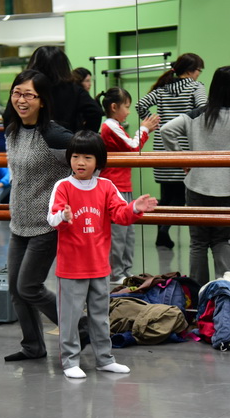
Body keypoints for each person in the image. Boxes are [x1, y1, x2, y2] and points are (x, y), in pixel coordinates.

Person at [47, 130, 157, 379]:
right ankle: (70, 361)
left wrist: (134, 208)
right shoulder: (63, 186)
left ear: (98, 160)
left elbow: (120, 214)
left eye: (87, 157)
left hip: (99, 266)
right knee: (69, 318)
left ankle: (105, 359)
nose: (80, 162)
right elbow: (52, 218)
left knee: (100, 317)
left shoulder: (107, 186)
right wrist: (63, 216)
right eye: (75, 156)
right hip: (71, 268)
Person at [160, 66, 230, 286]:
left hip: (197, 186)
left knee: (198, 243)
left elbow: (166, 130)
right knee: (222, 240)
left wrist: (182, 159)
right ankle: (225, 292)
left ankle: (198, 294)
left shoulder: (198, 114)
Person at [2, 69, 74, 362]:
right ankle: (33, 346)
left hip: (47, 224)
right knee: (15, 289)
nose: (21, 100)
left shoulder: (54, 135)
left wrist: (69, 199)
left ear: (42, 100)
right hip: (19, 223)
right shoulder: (12, 130)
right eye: (16, 93)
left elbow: (90, 158)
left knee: (29, 286)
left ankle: (80, 327)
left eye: (28, 95)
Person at [136, 53, 206, 248]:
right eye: (199, 70)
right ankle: (164, 230)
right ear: (191, 71)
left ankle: (162, 234)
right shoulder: (196, 87)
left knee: (166, 196)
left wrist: (155, 123)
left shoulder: (162, 89)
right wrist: (191, 126)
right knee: (181, 197)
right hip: (184, 149)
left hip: (162, 149)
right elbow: (203, 109)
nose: (199, 75)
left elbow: (140, 105)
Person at [97, 87, 159, 283]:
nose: (129, 111)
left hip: (124, 185)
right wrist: (144, 129)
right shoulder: (109, 126)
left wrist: (144, 130)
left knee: (128, 233)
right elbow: (132, 147)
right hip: (115, 187)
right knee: (118, 233)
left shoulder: (116, 125)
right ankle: (116, 273)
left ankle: (124, 271)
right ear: (114, 107)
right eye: (126, 106)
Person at [26, 46, 102, 133]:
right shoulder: (74, 89)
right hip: (67, 137)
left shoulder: (28, 88)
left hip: (32, 137)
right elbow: (95, 112)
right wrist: (84, 137)